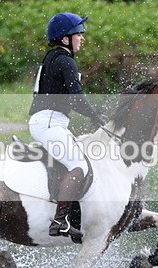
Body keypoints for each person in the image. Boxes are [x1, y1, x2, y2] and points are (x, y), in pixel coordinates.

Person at [28, 12, 105, 243]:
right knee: (79, 166)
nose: (82, 38)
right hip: (50, 122)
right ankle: (60, 220)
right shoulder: (65, 60)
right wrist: (95, 116)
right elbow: (76, 97)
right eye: (78, 34)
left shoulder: (51, 58)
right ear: (65, 39)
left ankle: (73, 217)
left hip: (48, 120)